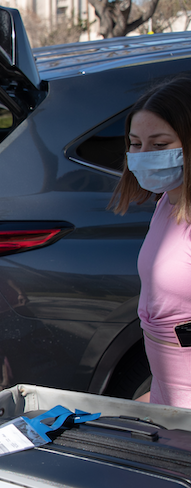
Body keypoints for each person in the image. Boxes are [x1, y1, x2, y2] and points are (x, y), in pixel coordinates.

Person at [110, 77, 191, 409]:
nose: (143, 156)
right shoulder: (166, 203)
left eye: (159, 145)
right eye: (135, 143)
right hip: (168, 403)